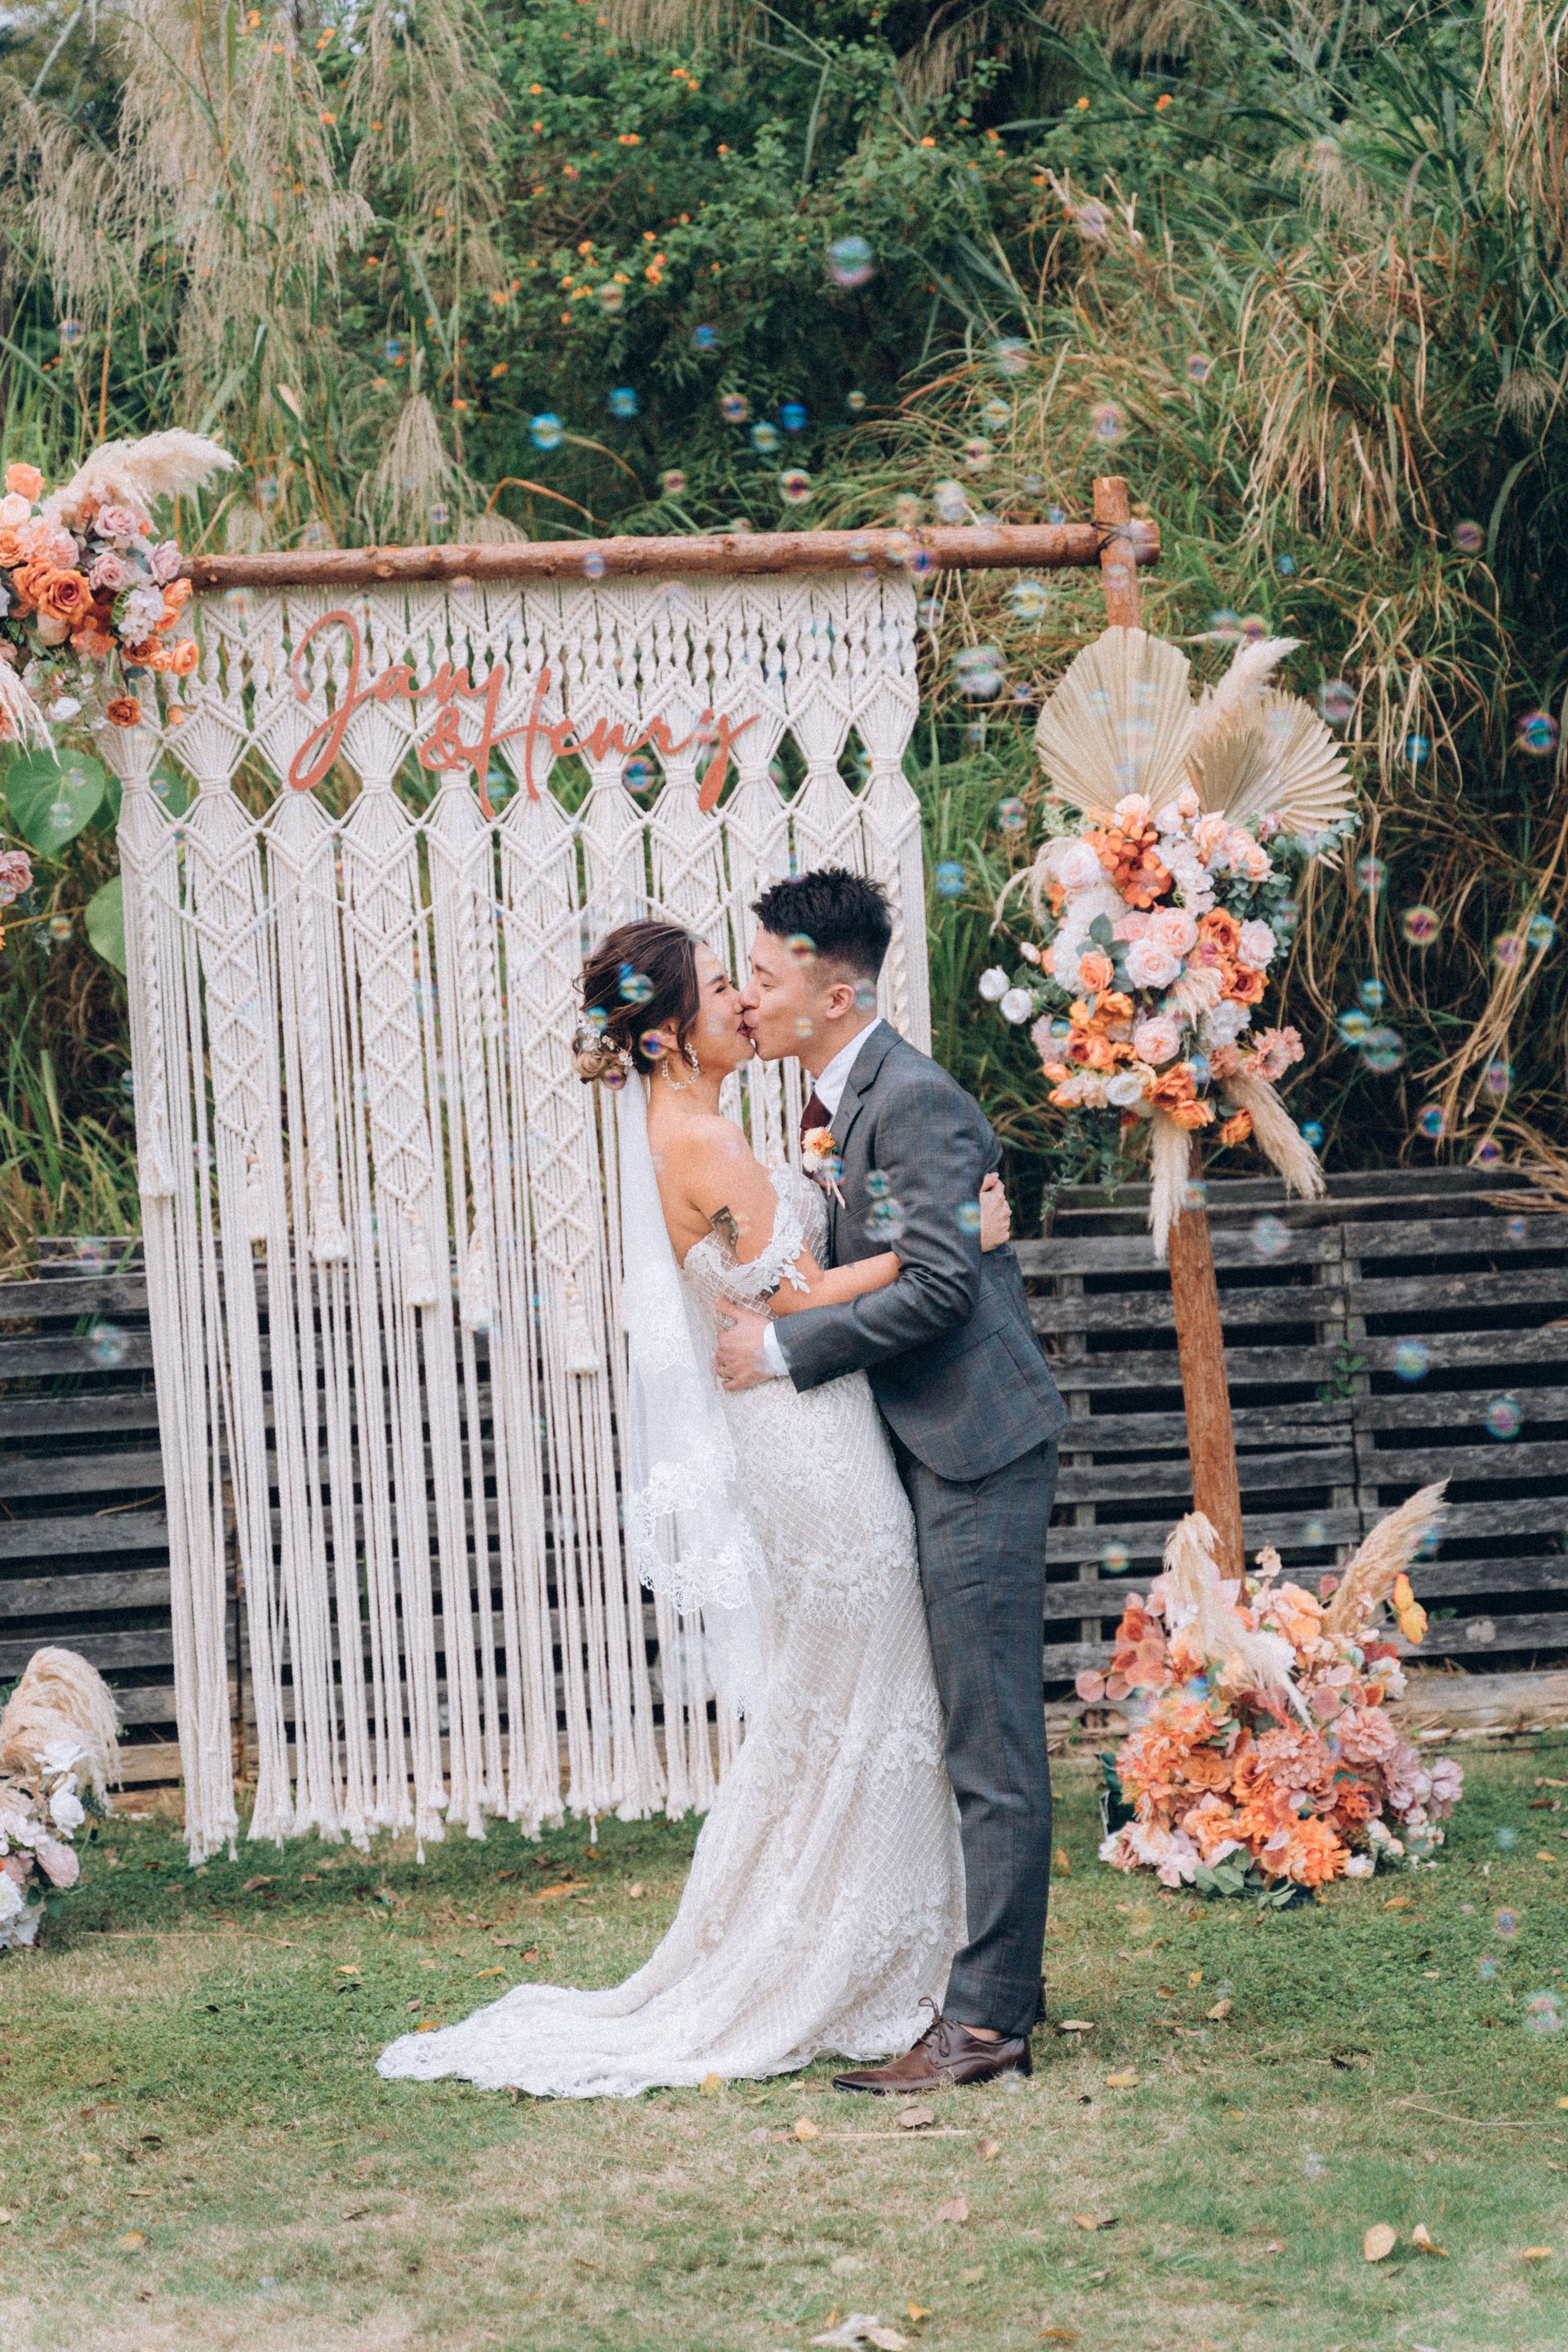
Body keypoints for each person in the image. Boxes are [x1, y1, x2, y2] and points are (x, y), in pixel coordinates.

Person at [376, 915, 1012, 2099]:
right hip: (809, 1443)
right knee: (872, 1697)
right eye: (724, 988)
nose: (745, 1003)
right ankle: (855, 1961)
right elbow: (807, 1295)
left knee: (847, 1702)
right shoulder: (704, 1141)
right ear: (667, 1031)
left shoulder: (694, 1126)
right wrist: (957, 1238)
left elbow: (789, 1285)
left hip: (804, 1431)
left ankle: (874, 1950)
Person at [716, 869, 1067, 2094]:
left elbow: (935, 1286)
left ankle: (987, 2030)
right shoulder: (843, 1097)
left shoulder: (910, 1100)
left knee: (989, 1734)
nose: (749, 996)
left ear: (835, 987)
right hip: (922, 1440)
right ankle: (993, 1982)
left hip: (977, 1444)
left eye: (764, 976)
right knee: (958, 1726)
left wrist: (776, 1350)